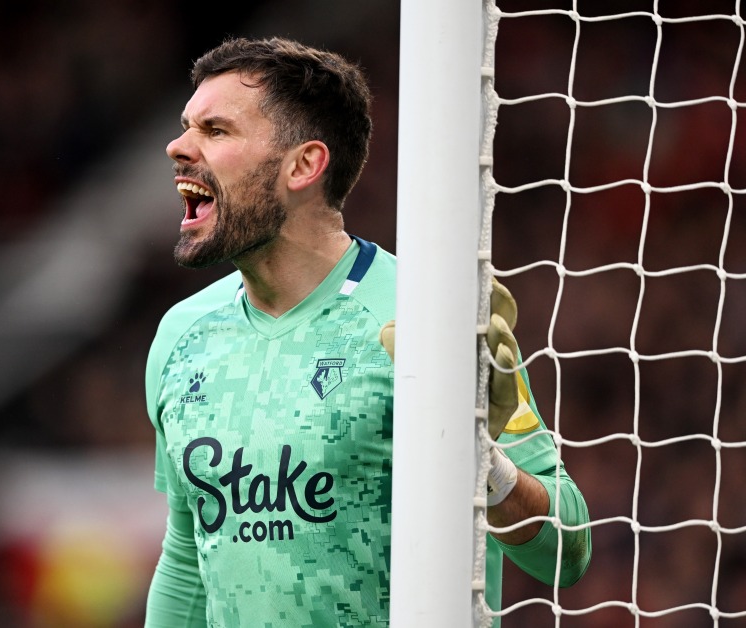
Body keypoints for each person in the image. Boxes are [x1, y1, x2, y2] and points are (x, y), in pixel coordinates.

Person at [143, 36, 591, 627]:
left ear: (304, 164)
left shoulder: (426, 318)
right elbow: (185, 561)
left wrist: (480, 456)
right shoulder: (184, 334)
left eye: (216, 130)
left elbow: (566, 553)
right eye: (185, 125)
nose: (178, 146)